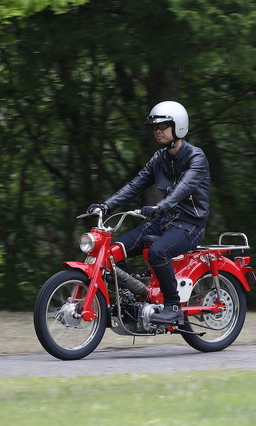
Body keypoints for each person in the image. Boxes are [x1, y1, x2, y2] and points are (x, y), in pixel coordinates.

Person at [87, 101, 211, 325]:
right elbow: (135, 185)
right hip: (164, 221)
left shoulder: (196, 157)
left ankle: (173, 306)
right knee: (112, 253)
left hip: (190, 225)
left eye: (163, 126)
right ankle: (132, 297)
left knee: (157, 252)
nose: (158, 131)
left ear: (178, 126)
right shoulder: (160, 158)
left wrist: (160, 207)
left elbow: (183, 189)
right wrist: (105, 206)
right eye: (155, 127)